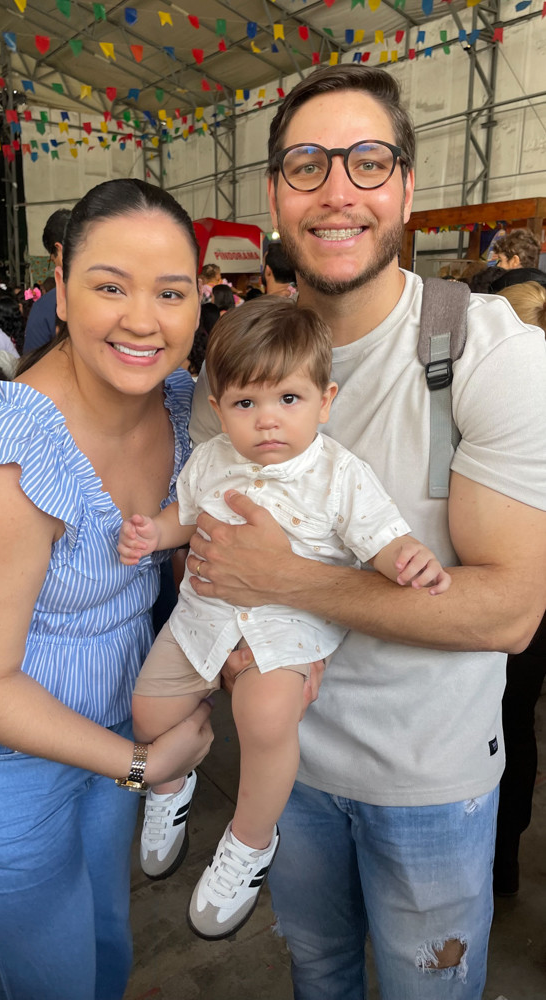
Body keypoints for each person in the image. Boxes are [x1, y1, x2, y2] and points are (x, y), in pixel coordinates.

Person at [187, 65, 546, 998]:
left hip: (429, 781)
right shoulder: (238, 362)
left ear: (405, 189)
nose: (337, 190)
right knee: (318, 970)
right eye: (307, 164)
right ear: (275, 194)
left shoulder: (488, 351)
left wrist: (285, 580)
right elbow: (208, 555)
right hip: (287, 772)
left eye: (367, 162)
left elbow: (508, 610)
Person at [118, 295, 450, 938]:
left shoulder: (340, 475)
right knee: (147, 710)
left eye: (288, 399)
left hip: (285, 626)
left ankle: (249, 840)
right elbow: (185, 514)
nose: (267, 419)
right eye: (246, 403)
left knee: (266, 715)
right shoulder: (211, 459)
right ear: (219, 409)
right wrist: (154, 533)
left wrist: (408, 558)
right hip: (201, 619)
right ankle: (168, 785)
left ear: (325, 401)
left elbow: (381, 539)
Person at [0, 178, 213, 1000]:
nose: (143, 320)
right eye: (110, 286)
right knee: (48, 978)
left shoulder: (182, 407)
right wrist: (144, 765)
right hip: (8, 773)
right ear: (60, 283)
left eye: (170, 292)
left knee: (105, 945)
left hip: (115, 731)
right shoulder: (10, 449)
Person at [491, 280, 546, 896]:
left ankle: (498, 854)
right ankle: (504, 859)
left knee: (501, 715)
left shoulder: (516, 393)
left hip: (515, 592)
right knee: (516, 718)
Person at [23, 207, 71, 353]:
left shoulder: (45, 308)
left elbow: (32, 362)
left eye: (52, 257)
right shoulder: (119, 291)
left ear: (59, 251)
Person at [490, 227, 546, 292]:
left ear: (515, 261)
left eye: (500, 260)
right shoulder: (541, 286)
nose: (498, 265)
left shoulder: (503, 289)